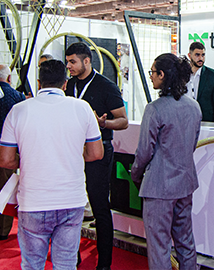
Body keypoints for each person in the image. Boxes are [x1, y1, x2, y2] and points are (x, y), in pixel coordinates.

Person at [0, 59, 103, 269]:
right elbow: (96, 153)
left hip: (33, 200)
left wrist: (28, 159)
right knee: (66, 263)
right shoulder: (82, 108)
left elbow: (5, 160)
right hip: (71, 199)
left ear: (39, 83)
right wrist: (71, 154)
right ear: (65, 83)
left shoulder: (19, 110)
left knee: (32, 264)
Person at [131, 53, 202, 270]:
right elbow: (191, 145)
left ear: (162, 74)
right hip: (185, 183)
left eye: (153, 72)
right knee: (186, 240)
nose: (151, 76)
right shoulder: (194, 106)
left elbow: (144, 152)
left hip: (159, 187)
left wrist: (136, 174)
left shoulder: (155, 109)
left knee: (159, 245)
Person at [65, 42, 128, 270]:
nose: (69, 66)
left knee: (99, 205)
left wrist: (103, 123)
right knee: (70, 205)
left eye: (73, 61)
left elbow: (123, 121)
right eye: (67, 61)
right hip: (73, 150)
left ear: (86, 61)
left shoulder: (106, 86)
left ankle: (104, 263)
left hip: (99, 149)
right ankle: (72, 257)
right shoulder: (69, 85)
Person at [0, 64, 26, 240]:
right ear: (9, 78)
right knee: (5, 190)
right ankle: (4, 230)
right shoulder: (17, 97)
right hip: (8, 151)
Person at [187, 41, 214, 122]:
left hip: (205, 121)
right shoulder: (182, 75)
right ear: (189, 55)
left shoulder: (213, 75)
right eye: (197, 55)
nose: (201, 58)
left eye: (203, 55)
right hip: (184, 119)